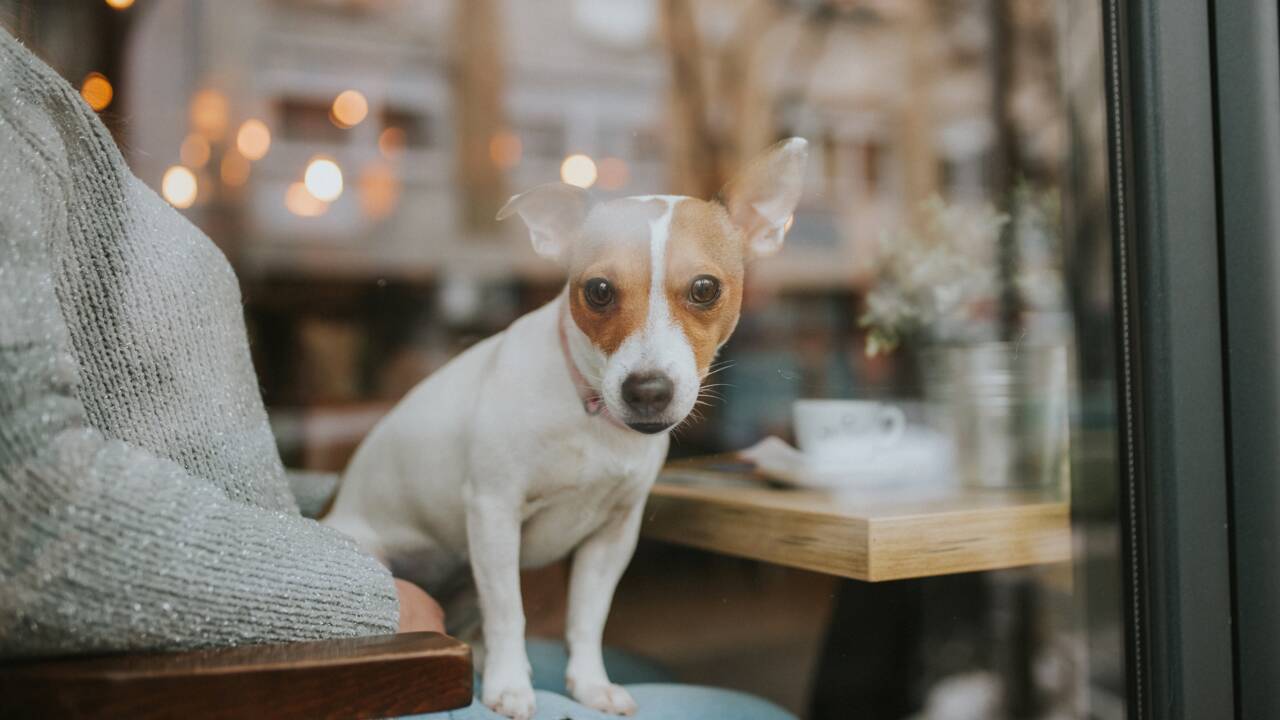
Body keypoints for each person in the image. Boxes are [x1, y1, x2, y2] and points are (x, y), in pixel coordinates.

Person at [0, 27, 792, 720]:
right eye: (602, 294)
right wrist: (364, 584)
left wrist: (337, 512)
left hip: (347, 592)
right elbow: (32, 510)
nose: (650, 354)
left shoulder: (30, 103)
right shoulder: (14, 120)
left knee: (658, 675)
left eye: (700, 294)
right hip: (303, 651)